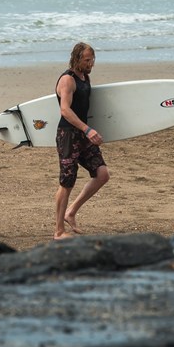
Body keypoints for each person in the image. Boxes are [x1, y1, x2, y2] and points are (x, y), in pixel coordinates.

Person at [53, 43, 109, 240]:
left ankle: (71, 212)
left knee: (102, 174)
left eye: (92, 59)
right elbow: (65, 110)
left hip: (84, 135)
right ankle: (59, 231)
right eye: (87, 60)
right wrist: (87, 129)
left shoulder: (85, 78)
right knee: (67, 182)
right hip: (68, 135)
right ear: (76, 59)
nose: (91, 63)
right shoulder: (67, 80)